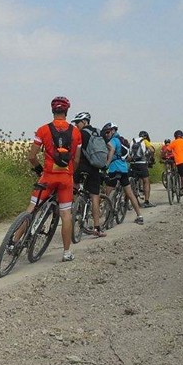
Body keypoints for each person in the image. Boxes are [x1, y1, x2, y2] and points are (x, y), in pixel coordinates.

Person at [27, 96, 82, 261]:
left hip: (47, 177)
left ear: (52, 110)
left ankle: (13, 242)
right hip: (66, 179)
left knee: (31, 209)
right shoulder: (76, 132)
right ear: (66, 111)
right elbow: (76, 160)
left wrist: (39, 170)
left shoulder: (43, 130)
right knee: (66, 214)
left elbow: (32, 156)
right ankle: (66, 253)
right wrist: (70, 172)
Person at [70, 111, 107, 237]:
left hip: (81, 166)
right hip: (95, 167)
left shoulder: (80, 133)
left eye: (78, 122)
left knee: (74, 186)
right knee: (95, 196)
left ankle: (75, 209)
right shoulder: (98, 132)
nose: (76, 125)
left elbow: (74, 150)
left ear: (85, 122)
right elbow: (107, 147)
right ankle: (97, 228)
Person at [101, 122, 143, 224]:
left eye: (108, 132)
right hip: (123, 169)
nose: (107, 134)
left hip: (114, 169)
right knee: (130, 193)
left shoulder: (113, 141)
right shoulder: (120, 141)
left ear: (113, 131)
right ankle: (139, 215)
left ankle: (107, 216)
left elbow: (111, 152)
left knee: (108, 194)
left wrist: (106, 164)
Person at [131, 130, 155, 208]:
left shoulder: (133, 141)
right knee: (146, 181)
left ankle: (133, 201)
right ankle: (146, 201)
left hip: (133, 163)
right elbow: (152, 150)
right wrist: (151, 157)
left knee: (132, 182)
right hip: (142, 163)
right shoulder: (145, 141)